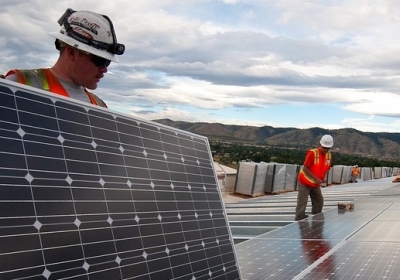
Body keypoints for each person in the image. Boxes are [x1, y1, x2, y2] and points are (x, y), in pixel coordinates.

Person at [3, 8, 125, 108]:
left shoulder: (100, 107)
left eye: (107, 62)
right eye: (100, 61)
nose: (104, 69)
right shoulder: (18, 84)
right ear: (72, 53)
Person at [295, 134, 333, 221]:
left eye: (328, 148)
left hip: (315, 184)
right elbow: (305, 168)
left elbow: (326, 168)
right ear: (321, 145)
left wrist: (323, 177)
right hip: (305, 181)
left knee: (319, 202)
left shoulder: (329, 156)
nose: (326, 150)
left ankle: (316, 219)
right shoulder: (313, 153)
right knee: (302, 203)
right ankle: (299, 220)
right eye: (324, 147)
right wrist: (316, 178)